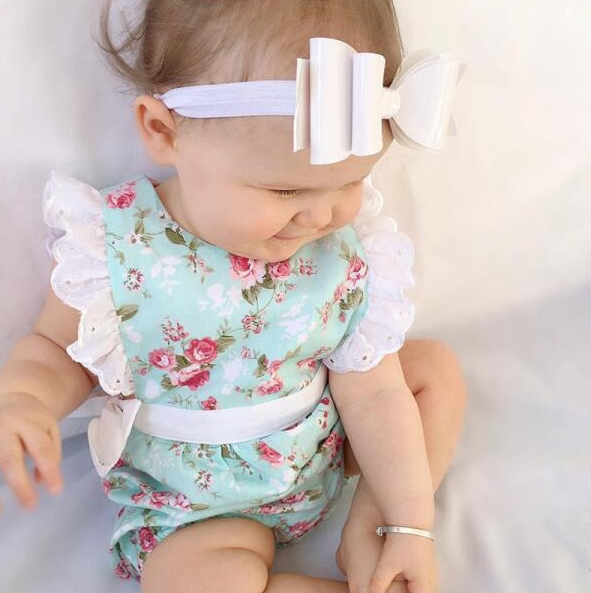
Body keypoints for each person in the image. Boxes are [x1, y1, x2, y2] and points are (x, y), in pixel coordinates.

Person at [0, 1, 467, 592]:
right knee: (192, 581)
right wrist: (25, 399)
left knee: (432, 372)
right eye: (285, 190)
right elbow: (55, 352)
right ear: (164, 131)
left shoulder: (344, 251)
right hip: (198, 506)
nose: (321, 216)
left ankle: (372, 525)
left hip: (324, 450)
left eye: (350, 181)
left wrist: (409, 523)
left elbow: (373, 395)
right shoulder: (115, 246)